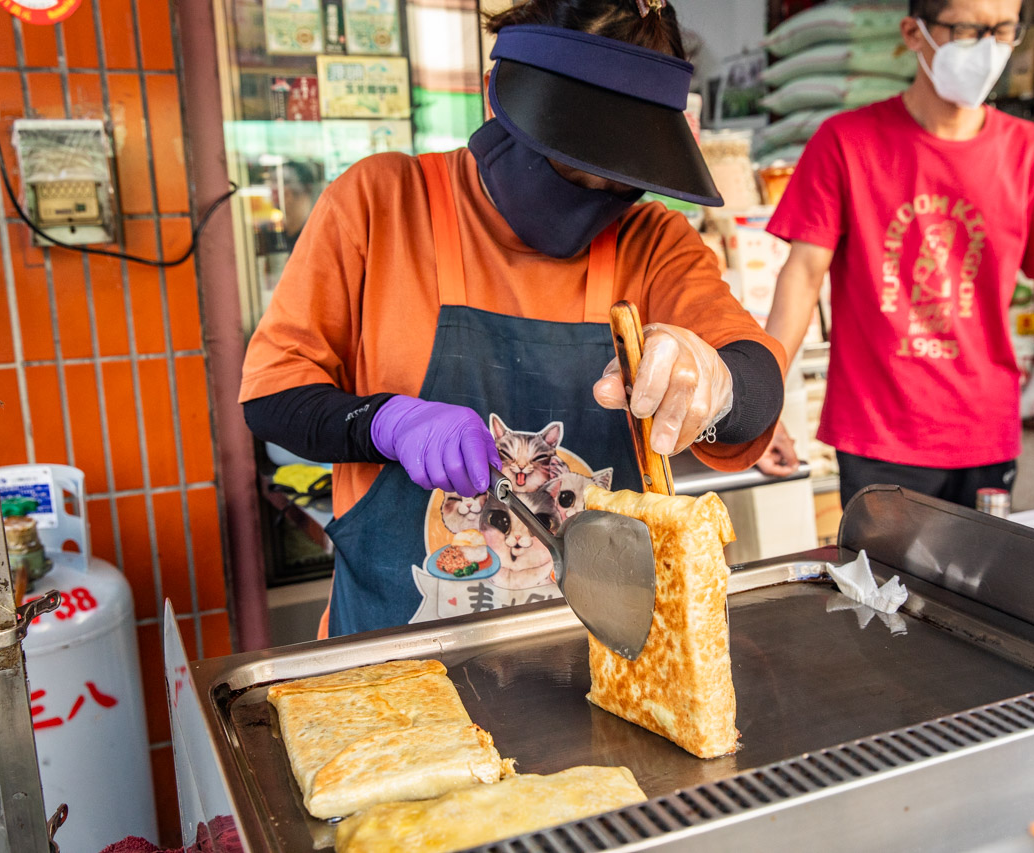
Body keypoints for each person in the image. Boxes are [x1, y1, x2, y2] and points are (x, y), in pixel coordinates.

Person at [240, 0, 787, 638]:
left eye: (617, 184)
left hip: (604, 652)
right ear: (498, 101)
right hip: (400, 651)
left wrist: (716, 381)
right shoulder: (381, 204)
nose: (591, 200)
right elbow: (273, 395)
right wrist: (385, 422)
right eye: (566, 165)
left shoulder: (654, 242)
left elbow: (756, 383)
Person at [755, 0, 1034, 508]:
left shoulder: (1029, 152)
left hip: (985, 434)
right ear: (914, 33)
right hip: (879, 433)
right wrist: (760, 401)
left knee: (977, 586)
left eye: (1003, 29)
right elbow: (802, 275)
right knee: (882, 586)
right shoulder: (846, 142)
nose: (988, 47)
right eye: (968, 28)